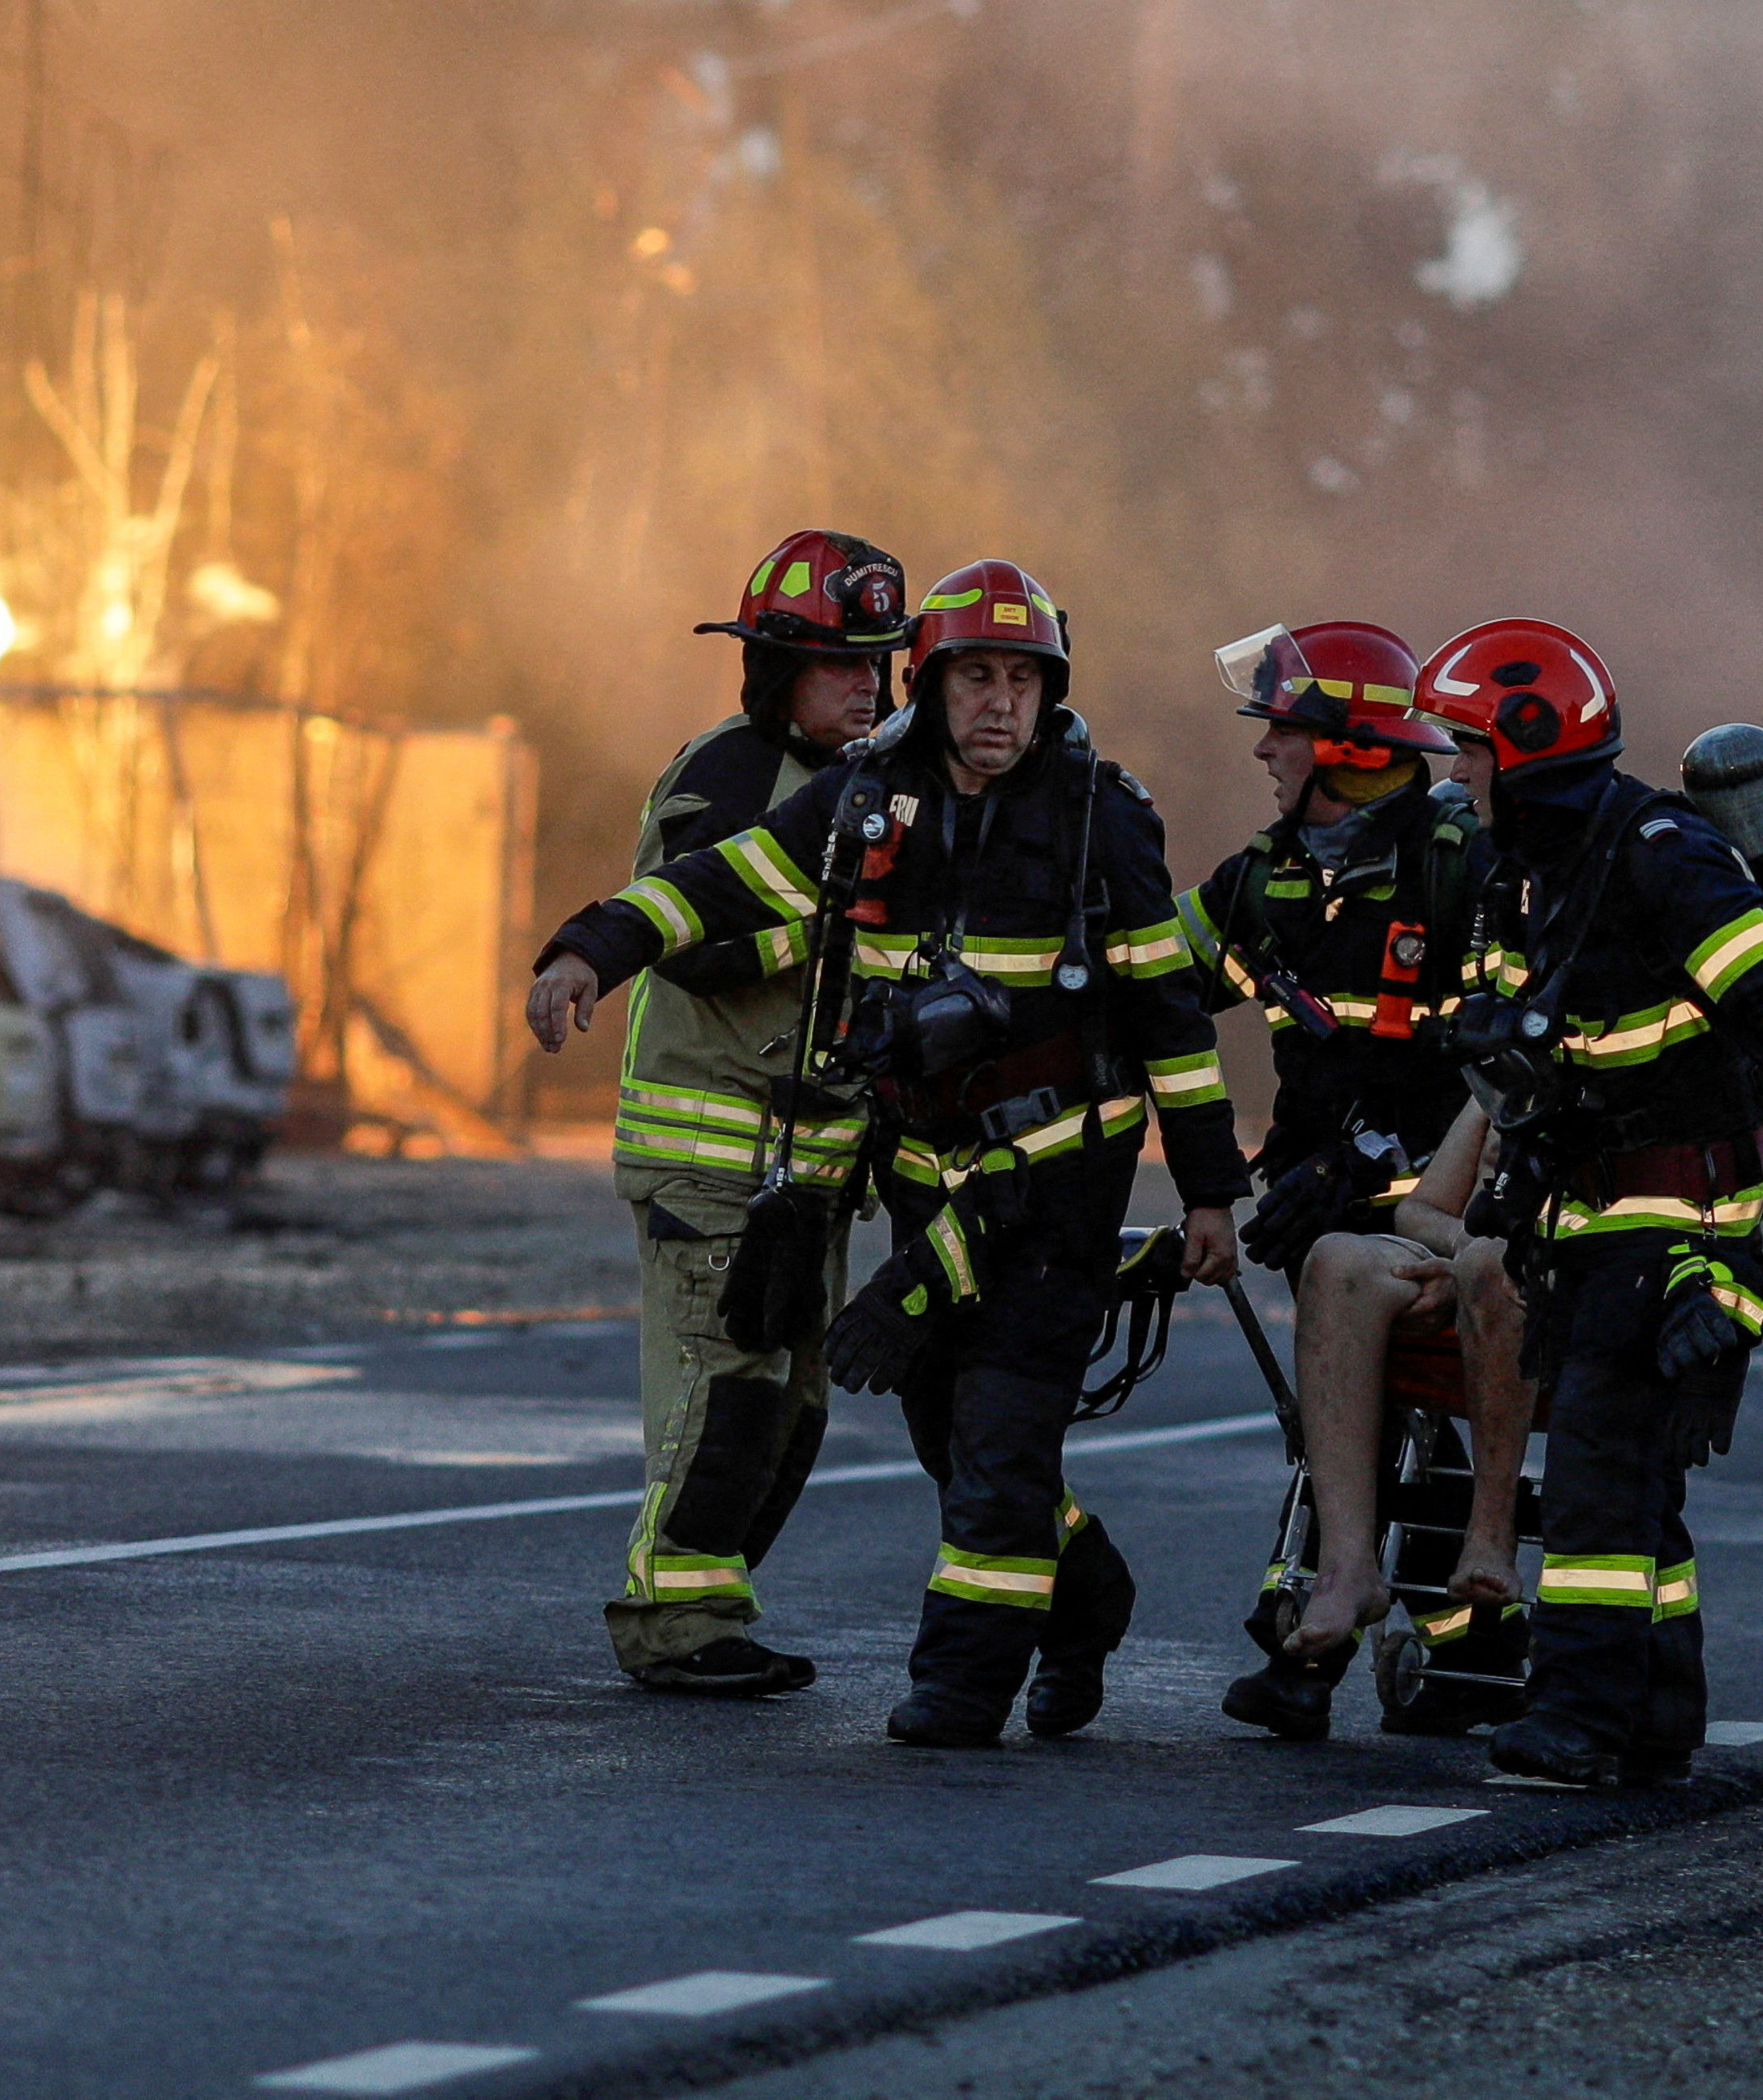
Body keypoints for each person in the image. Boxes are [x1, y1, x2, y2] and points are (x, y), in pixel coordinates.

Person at [526, 558, 1248, 1750]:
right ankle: (1086, 1599)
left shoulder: (1100, 815)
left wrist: (1213, 1189)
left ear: (1051, 691)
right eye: (975, 678)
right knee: (946, 1432)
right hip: (928, 1180)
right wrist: (588, 951)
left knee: (1007, 1427)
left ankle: (962, 1686)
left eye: (1023, 679)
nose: (999, 704)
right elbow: (725, 881)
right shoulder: (870, 798)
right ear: (935, 682)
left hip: (1063, 1176)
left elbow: (1170, 1014)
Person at [1382, 617, 1763, 1790]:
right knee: (1638, 1473)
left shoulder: (1660, 852)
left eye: (1468, 753)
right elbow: (1526, 1060)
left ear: (1532, 747)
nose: (1454, 776)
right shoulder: (1528, 878)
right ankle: (1659, 1709)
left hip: (1679, 1220)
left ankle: (1582, 1716)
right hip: (1585, 1215)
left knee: (1603, 1460)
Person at [1166, 620, 1525, 1740]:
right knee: (1375, 1400)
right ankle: (1457, 1641)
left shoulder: (1459, 859)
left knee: (1400, 1398)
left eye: (1281, 729)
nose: (1262, 750)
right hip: (1320, 1203)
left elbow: (1516, 1051)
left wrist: (1375, 1156)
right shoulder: (1266, 877)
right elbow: (1149, 981)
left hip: (1452, 1200)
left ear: (1344, 744)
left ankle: (1329, 1631)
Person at [582, 529, 914, 1699]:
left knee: (789, 1412)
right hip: (711, 1155)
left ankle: (709, 1602)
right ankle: (673, 1623)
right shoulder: (724, 775)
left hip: (811, 1169)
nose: (866, 686)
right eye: (838, 664)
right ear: (773, 669)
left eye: (878, 663)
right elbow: (701, 947)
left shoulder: (878, 790)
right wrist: (839, 926)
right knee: (723, 1396)